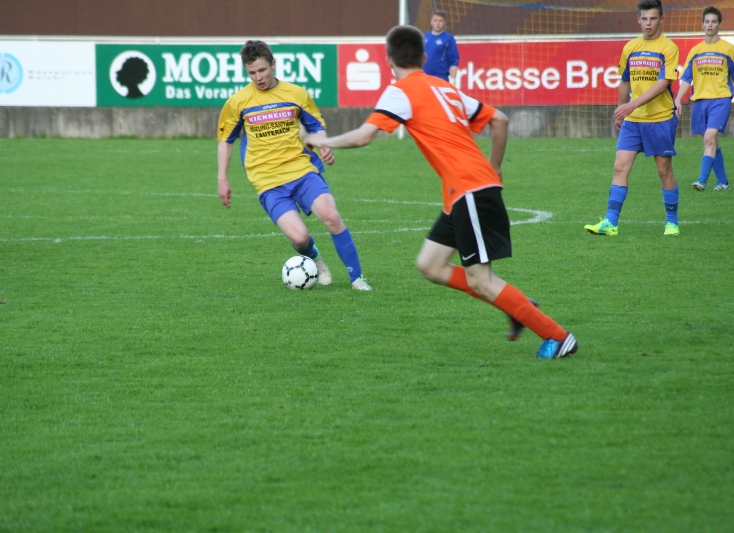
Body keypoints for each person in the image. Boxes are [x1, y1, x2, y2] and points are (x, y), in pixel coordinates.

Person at [306, 25, 577, 359]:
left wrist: (321, 140)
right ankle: (515, 304)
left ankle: (558, 336)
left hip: (470, 188)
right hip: (465, 191)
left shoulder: (401, 91)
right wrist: (495, 168)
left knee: (481, 280)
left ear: (389, 60)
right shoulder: (445, 87)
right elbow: (500, 120)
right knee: (430, 264)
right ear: (424, 57)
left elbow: (363, 136)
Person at [216, 40, 371, 290]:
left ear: (273, 64)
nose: (258, 77)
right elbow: (226, 140)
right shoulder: (238, 102)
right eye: (252, 73)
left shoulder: (296, 94)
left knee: (331, 217)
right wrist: (222, 178)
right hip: (268, 181)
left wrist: (324, 145)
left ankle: (357, 279)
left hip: (301, 170)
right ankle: (317, 260)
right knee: (299, 239)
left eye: (262, 70)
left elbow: (315, 127)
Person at [585, 0, 680, 237]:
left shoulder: (668, 48)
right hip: (633, 121)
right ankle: (610, 222)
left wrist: (631, 105)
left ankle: (672, 222)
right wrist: (621, 111)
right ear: (638, 19)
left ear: (661, 19)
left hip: (660, 118)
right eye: (644, 19)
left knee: (663, 170)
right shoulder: (630, 47)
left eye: (653, 18)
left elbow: (662, 84)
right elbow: (624, 81)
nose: (648, 23)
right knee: (620, 167)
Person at [674, 6, 734, 192]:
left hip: (721, 99)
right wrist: (678, 99)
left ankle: (701, 180)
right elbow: (686, 78)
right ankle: (723, 182)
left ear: (719, 25)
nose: (710, 25)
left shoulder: (728, 50)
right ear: (702, 24)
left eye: (714, 22)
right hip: (700, 101)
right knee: (711, 141)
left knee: (709, 138)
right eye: (707, 21)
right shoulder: (696, 51)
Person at [423, 10, 459, 82]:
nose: (438, 23)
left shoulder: (448, 38)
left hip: (440, 77)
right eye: (435, 20)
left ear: (444, 23)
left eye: (440, 21)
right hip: (424, 77)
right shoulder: (424, 37)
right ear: (431, 22)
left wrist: (453, 80)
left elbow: (453, 60)